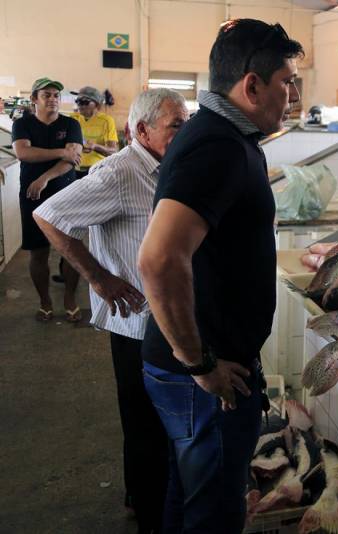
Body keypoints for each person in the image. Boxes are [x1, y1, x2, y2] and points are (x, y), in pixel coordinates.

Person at [137, 19, 302, 532]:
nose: (293, 95)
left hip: (202, 368)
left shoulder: (228, 137)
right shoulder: (218, 146)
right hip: (205, 377)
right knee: (214, 511)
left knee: (190, 494)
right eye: (286, 82)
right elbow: (159, 261)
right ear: (251, 86)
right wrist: (200, 362)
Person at [33, 88, 188, 533]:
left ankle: (138, 493)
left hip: (159, 320)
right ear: (142, 130)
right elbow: (49, 216)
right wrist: (98, 278)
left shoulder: (163, 167)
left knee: (151, 423)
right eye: (176, 124)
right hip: (135, 321)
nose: (185, 131)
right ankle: (151, 515)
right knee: (145, 425)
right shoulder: (120, 173)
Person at [11, 77, 83, 322]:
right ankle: (45, 301)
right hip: (33, 197)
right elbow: (23, 153)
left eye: (56, 95)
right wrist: (62, 151)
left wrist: (44, 178)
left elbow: (72, 160)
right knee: (38, 252)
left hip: (66, 195)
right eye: (46, 95)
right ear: (34, 99)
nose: (52, 99)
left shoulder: (71, 124)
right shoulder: (22, 124)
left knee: (71, 250)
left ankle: (70, 298)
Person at [70, 86, 118, 178]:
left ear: (96, 104)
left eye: (84, 102)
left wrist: (95, 147)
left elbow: (113, 151)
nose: (80, 105)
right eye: (77, 101)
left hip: (97, 170)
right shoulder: (73, 119)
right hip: (74, 169)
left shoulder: (106, 121)